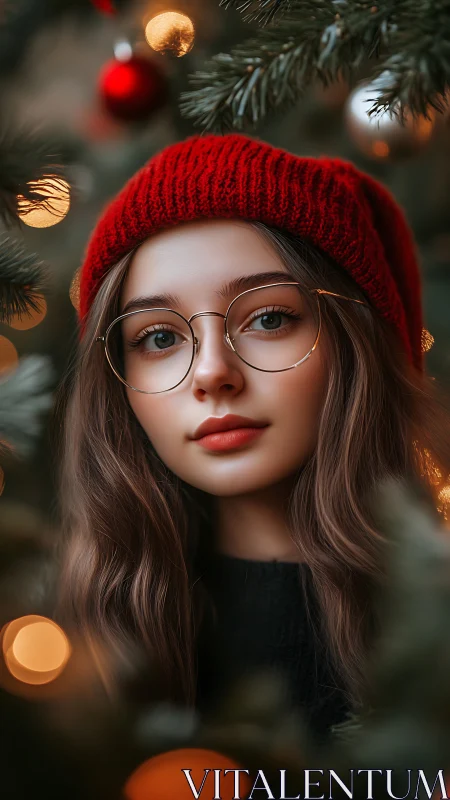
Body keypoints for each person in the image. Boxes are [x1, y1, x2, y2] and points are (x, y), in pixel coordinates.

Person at [53, 132, 450, 746]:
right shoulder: (54, 658)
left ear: (356, 342)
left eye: (268, 318)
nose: (212, 373)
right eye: (159, 338)